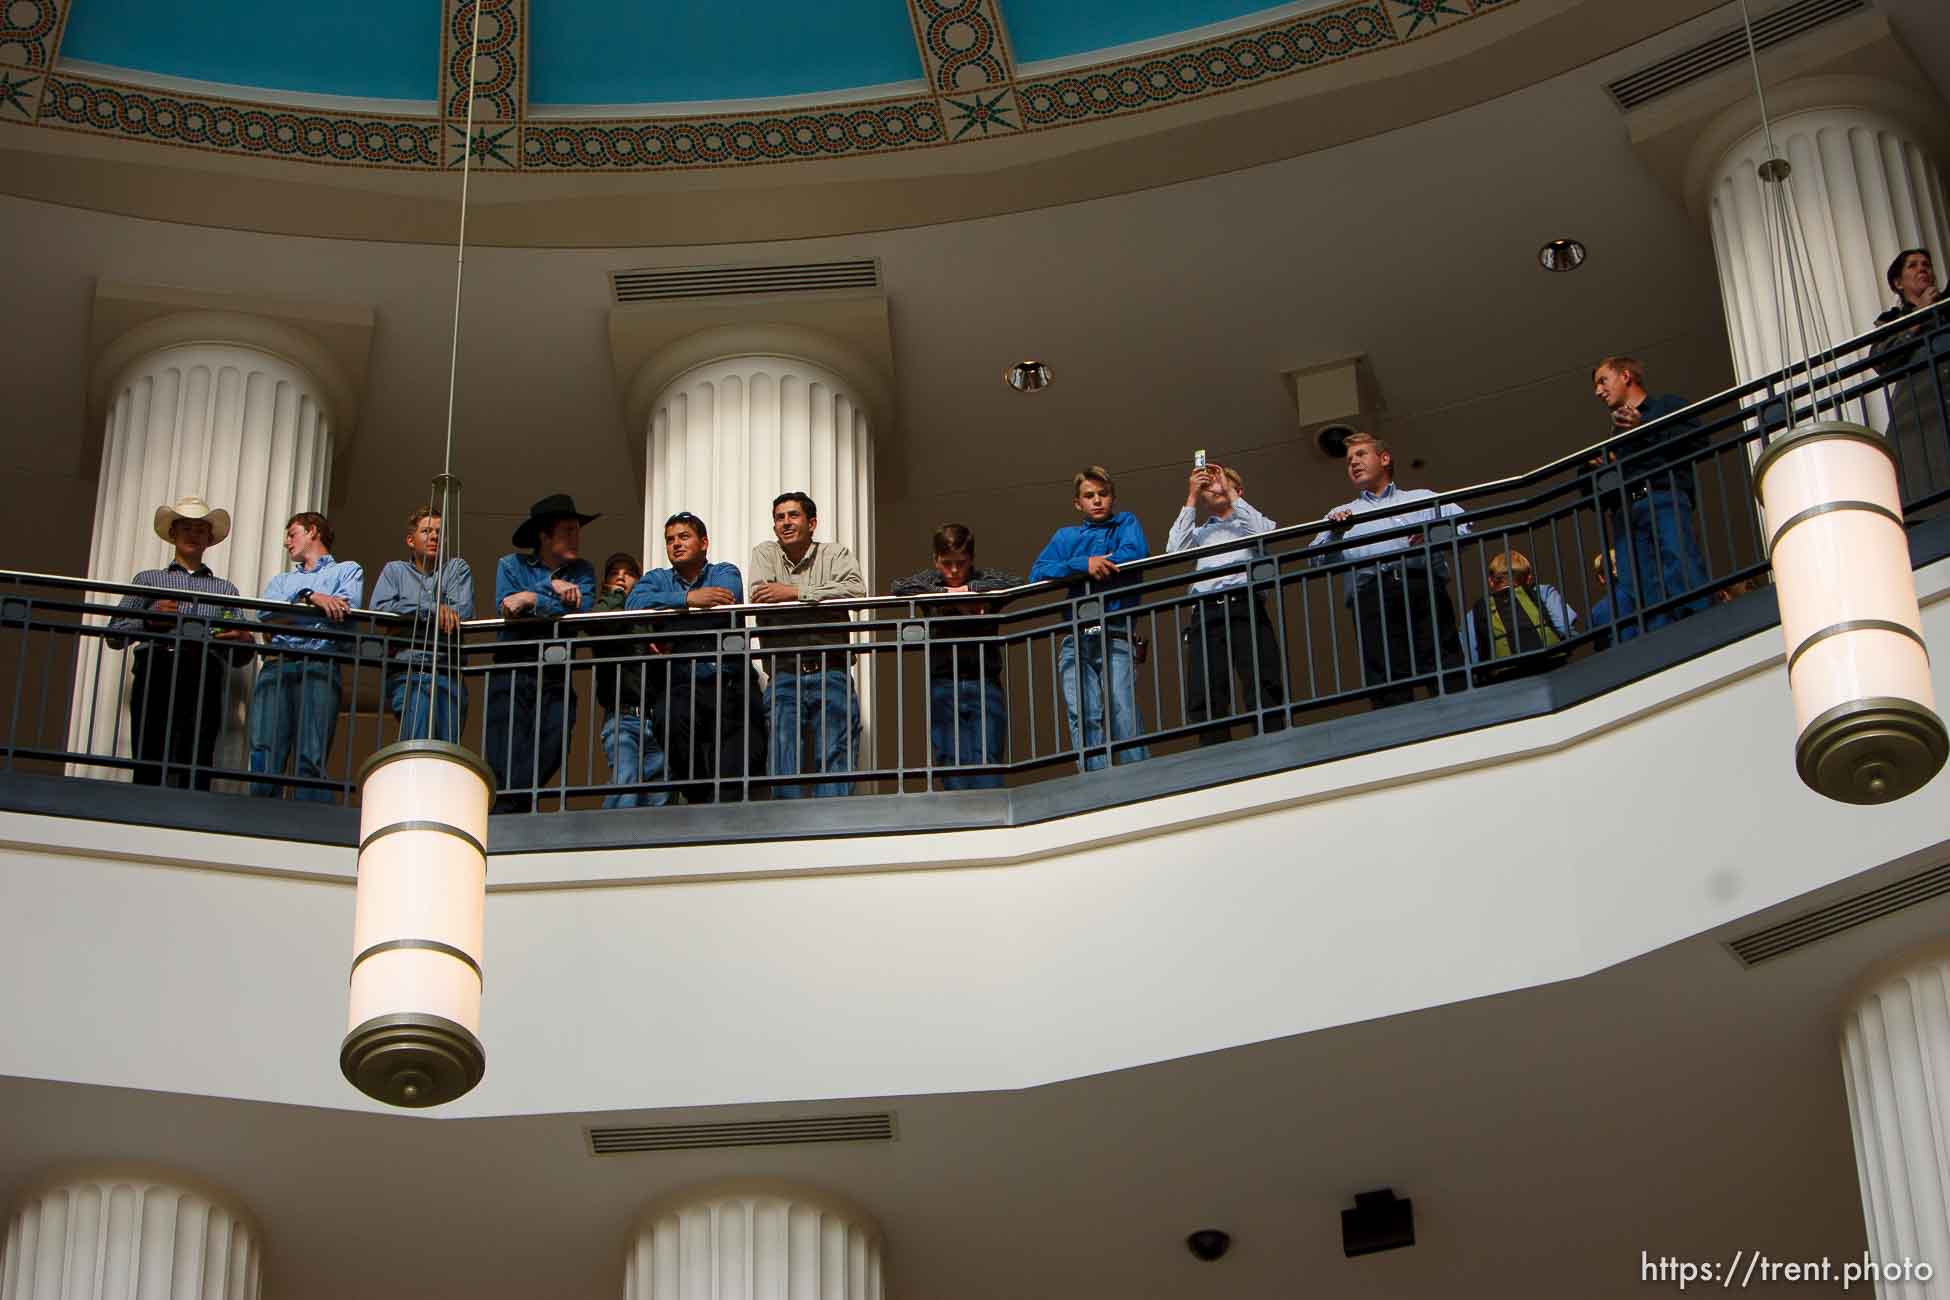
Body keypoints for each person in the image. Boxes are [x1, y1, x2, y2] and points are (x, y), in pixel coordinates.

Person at [105, 495, 256, 789]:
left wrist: (242, 639)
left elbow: (242, 656)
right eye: (186, 527)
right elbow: (114, 633)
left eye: (200, 529)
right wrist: (150, 620)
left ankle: (193, 814)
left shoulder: (226, 589)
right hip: (157, 667)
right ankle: (143, 812)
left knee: (199, 754)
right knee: (149, 750)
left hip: (205, 672)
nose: (193, 534)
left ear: (209, 538)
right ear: (173, 534)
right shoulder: (147, 579)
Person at [1310, 433, 1466, 708]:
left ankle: (1461, 721)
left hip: (1422, 586)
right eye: (1348, 461)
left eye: (1361, 455)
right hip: (1372, 595)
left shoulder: (1422, 498)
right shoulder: (1341, 514)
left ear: (1384, 459)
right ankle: (1398, 736)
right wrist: (1335, 534)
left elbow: (1464, 527)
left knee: (1443, 659)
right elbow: (1314, 560)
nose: (1353, 463)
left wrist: (1435, 535)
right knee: (1385, 674)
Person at [625, 512, 766, 803]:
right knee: (674, 734)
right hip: (682, 684)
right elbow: (634, 603)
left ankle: (726, 820)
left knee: (737, 768)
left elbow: (726, 598)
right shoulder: (657, 579)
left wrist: (670, 621)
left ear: (704, 543)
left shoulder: (724, 571)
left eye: (683, 537)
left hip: (730, 684)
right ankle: (699, 804)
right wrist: (688, 600)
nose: (676, 544)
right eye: (670, 540)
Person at [1029, 465, 1151, 769]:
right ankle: (1096, 782)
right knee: (1083, 712)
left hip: (1117, 631)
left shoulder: (1126, 523)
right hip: (1077, 636)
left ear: (1113, 497)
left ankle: (1140, 776)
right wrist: (1084, 563)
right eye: (1089, 495)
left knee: (1122, 707)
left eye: (1103, 494)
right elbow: (1038, 572)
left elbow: (1136, 552)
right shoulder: (1066, 536)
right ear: (1077, 503)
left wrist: (1101, 564)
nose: (1097, 500)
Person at [749, 492, 867, 798]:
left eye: (793, 516)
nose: (785, 523)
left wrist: (794, 592)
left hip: (831, 669)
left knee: (835, 752)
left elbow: (855, 593)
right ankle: (785, 831)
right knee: (782, 756)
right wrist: (822, 598)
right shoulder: (765, 553)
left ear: (811, 522)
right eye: (779, 517)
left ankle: (835, 826)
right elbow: (762, 597)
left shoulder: (835, 554)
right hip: (784, 672)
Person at [890, 524, 1022, 789]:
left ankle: (989, 819)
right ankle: (961, 817)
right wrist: (950, 595)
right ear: (936, 560)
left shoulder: (985, 578)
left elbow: (1016, 583)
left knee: (987, 753)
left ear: (971, 560)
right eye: (946, 563)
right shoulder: (931, 582)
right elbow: (898, 586)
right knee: (949, 755)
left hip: (984, 680)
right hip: (944, 682)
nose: (953, 571)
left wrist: (972, 590)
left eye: (960, 563)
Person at [487, 494, 596, 813]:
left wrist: (534, 597)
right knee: (505, 748)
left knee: (554, 743)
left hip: (554, 674)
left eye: (577, 530)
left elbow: (583, 608)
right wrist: (551, 589)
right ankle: (510, 811)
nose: (576, 537)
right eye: (567, 530)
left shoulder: (582, 571)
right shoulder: (510, 565)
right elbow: (507, 606)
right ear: (544, 536)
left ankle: (511, 807)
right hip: (513, 669)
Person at [1165, 463, 1286, 745]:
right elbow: (1174, 549)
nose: (1214, 485)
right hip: (1206, 611)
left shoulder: (1248, 522)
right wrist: (1192, 496)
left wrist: (1231, 493)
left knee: (1261, 678)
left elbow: (1264, 533)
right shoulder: (1200, 533)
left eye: (1220, 481)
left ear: (1237, 490)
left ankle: (1273, 746)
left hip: (1244, 605)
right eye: (1209, 484)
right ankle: (1215, 754)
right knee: (1205, 689)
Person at [1590, 356, 1711, 632]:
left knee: (1679, 564)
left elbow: (1698, 440)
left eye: (1602, 381)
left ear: (1625, 376)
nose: (1598, 391)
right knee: (1638, 583)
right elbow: (1596, 491)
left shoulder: (1666, 407)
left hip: (1663, 497)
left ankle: (1703, 629)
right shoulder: (1613, 436)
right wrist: (1593, 471)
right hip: (1627, 515)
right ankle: (1663, 638)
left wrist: (1645, 426)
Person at [249, 511, 363, 800]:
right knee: (264, 749)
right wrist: (310, 597)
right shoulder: (281, 580)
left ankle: (306, 823)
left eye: (292, 534)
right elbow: (266, 615)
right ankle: (256, 821)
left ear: (313, 531)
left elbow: (344, 614)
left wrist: (290, 616)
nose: (287, 542)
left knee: (311, 753)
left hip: (320, 665)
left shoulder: (348, 570)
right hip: (277, 666)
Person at [370, 506, 473, 743]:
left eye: (439, 532)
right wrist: (435, 609)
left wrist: (408, 610)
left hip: (448, 670)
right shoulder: (394, 571)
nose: (435, 536)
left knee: (447, 749)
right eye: (427, 531)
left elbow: (463, 613)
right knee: (417, 742)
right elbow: (381, 611)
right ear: (410, 539)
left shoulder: (456, 568)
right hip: (409, 670)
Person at [588, 552, 668, 809]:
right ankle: (611, 841)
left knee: (660, 791)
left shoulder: (650, 610)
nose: (621, 577)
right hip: (622, 717)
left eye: (629, 573)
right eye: (614, 573)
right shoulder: (604, 610)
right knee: (626, 782)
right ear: (605, 583)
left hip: (656, 718)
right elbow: (597, 627)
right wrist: (616, 597)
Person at [1869, 248, 1948, 501]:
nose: (1922, 268)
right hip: (1918, 421)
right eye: (1912, 265)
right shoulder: (1891, 322)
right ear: (1898, 283)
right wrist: (1920, 313)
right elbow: (1882, 361)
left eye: (1926, 264)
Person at [1461, 549, 1578, 676]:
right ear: (1528, 578)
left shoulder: (1477, 611)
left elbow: (1471, 657)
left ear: (1490, 581)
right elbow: (1565, 628)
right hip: (1552, 666)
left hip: (1507, 678)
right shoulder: (1543, 592)